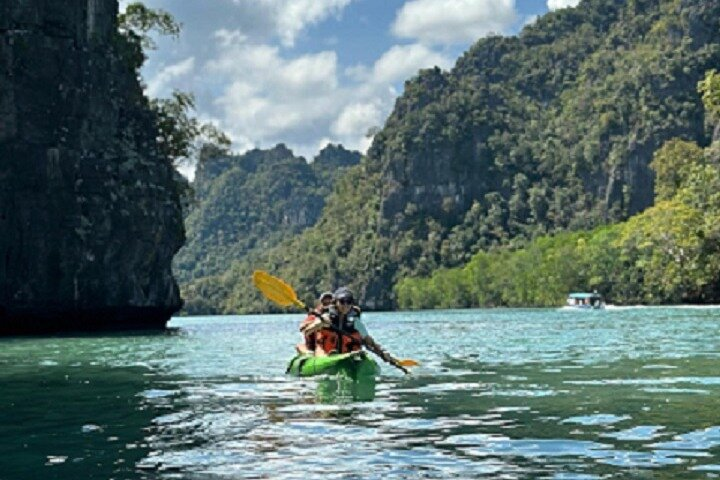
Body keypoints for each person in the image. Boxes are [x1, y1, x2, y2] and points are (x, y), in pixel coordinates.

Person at [310, 287, 410, 374]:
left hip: (350, 355)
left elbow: (369, 341)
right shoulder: (326, 317)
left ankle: (352, 364)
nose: (346, 305)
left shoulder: (355, 321)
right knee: (325, 353)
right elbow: (306, 331)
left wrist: (383, 353)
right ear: (335, 302)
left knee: (359, 354)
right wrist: (319, 324)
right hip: (326, 354)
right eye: (342, 301)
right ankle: (332, 359)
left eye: (349, 301)